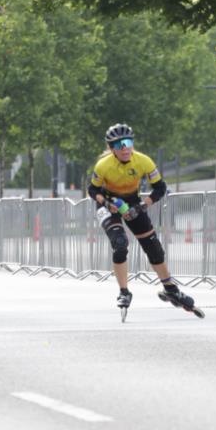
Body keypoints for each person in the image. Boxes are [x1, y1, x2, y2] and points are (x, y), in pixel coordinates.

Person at [88, 123, 197, 312]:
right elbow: (92, 189)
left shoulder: (143, 161)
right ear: (111, 148)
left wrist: (142, 206)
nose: (125, 148)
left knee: (153, 247)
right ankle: (124, 291)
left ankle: (170, 289)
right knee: (120, 243)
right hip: (108, 203)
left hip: (132, 202)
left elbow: (160, 188)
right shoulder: (103, 165)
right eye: (119, 144)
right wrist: (107, 204)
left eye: (128, 142)